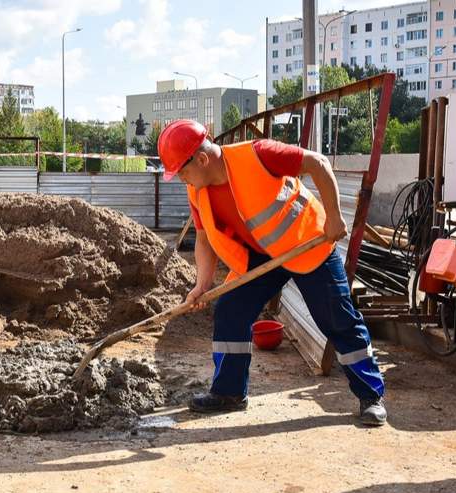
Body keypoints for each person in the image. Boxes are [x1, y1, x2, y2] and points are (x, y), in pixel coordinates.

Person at [158, 119, 386, 426]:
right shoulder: (197, 191)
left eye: (182, 171)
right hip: (260, 257)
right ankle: (229, 393)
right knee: (230, 310)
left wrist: (333, 216)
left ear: (201, 159)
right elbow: (203, 238)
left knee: (335, 316)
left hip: (306, 244)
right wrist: (202, 284)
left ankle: (371, 395)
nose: (182, 179)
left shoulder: (258, 154)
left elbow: (317, 163)